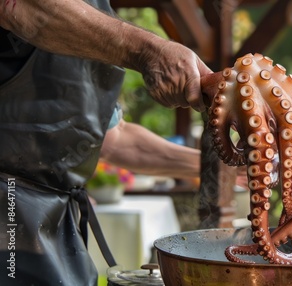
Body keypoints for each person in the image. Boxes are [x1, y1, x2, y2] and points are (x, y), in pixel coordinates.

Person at [0, 0, 211, 285]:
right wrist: (148, 49)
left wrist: (217, 166)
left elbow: (114, 139)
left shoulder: (96, 14)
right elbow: (19, 7)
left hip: (57, 225)